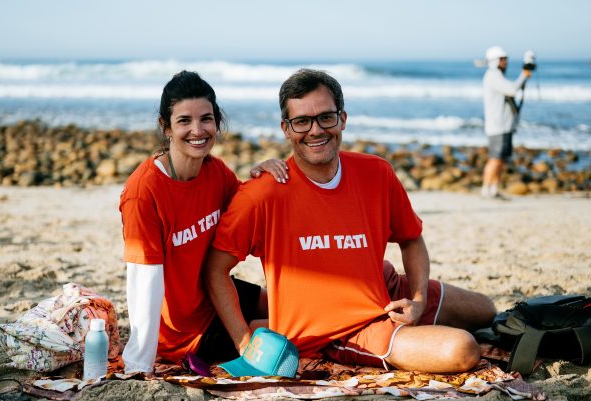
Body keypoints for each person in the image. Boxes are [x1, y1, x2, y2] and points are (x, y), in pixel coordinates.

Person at [205, 69, 496, 374]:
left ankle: (277, 321)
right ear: (286, 129)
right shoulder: (262, 193)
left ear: (342, 119)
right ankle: (281, 323)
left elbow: (410, 238)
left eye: (326, 117)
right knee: (462, 349)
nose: (315, 130)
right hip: (342, 329)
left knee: (485, 311)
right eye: (302, 121)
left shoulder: (377, 173)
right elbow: (216, 269)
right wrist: (244, 342)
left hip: (385, 287)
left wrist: (420, 300)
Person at [119, 70, 288, 375]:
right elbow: (144, 282)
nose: (198, 130)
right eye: (184, 120)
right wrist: (139, 364)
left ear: (217, 121)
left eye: (206, 119)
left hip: (217, 295)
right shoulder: (144, 192)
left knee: (296, 302)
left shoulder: (216, 172)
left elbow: (252, 216)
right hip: (186, 333)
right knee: (299, 324)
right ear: (165, 127)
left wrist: (261, 176)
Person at [481, 46, 533, 198]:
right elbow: (512, 89)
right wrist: (524, 75)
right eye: (502, 59)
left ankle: (494, 189)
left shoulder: (496, 75)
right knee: (495, 159)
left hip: (504, 125)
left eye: (505, 59)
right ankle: (486, 188)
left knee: (500, 159)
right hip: (498, 126)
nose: (505, 62)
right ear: (494, 61)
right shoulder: (493, 76)